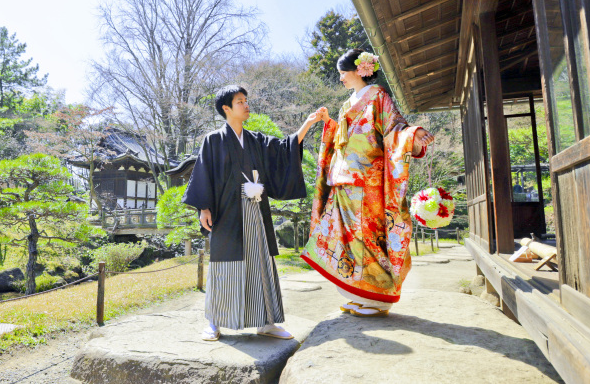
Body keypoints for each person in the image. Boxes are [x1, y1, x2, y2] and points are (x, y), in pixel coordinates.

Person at [183, 85, 325, 341]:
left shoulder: (255, 140)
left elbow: (285, 148)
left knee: (261, 262)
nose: (246, 105)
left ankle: (266, 321)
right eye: (240, 101)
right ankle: (215, 322)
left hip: (255, 208)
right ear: (226, 108)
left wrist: (308, 123)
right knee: (225, 265)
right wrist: (203, 207)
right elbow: (204, 174)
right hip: (225, 211)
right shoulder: (213, 140)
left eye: (246, 100)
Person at [302, 50, 434, 317]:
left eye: (343, 73)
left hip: (368, 181)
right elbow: (343, 138)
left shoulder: (378, 95)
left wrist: (413, 132)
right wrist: (328, 123)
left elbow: (394, 128)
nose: (341, 78)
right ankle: (359, 294)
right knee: (347, 240)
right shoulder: (347, 104)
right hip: (343, 180)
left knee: (368, 238)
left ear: (359, 70)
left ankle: (379, 297)